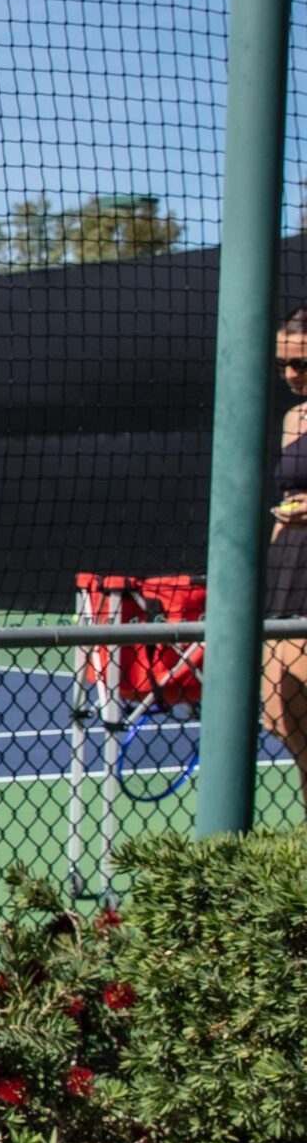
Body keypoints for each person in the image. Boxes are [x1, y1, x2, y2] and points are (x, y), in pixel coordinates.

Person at [268, 308, 307, 809]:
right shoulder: (292, 418)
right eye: (284, 365)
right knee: (280, 716)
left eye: (302, 363)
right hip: (286, 570)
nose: (292, 375)